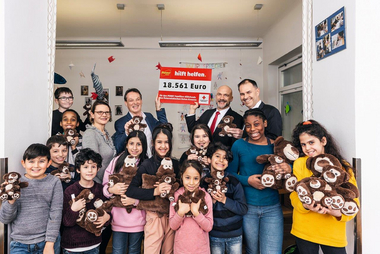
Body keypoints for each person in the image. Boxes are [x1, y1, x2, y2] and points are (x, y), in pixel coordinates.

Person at [226, 108, 291, 254]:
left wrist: (289, 167)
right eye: (248, 125)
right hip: (247, 208)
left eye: (257, 124)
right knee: (252, 250)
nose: (252, 129)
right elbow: (228, 174)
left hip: (272, 208)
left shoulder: (276, 146)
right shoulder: (238, 145)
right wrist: (247, 180)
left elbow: (289, 166)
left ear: (265, 123)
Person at [290, 120, 359, 253]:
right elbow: (294, 194)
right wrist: (305, 205)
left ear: (323, 141)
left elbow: (354, 201)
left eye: (311, 142)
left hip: (333, 232)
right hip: (304, 230)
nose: (307, 148)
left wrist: (338, 213)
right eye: (303, 144)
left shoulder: (342, 167)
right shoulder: (300, 163)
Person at [126, 123, 180, 254]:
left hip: (172, 215)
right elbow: (131, 190)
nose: (163, 146)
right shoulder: (147, 164)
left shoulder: (176, 164)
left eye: (166, 142)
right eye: (159, 142)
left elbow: (182, 188)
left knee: (169, 251)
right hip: (154, 216)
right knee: (151, 250)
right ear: (153, 143)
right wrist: (154, 191)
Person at [0, 143, 63, 254]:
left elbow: (55, 214)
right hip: (20, 244)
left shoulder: (54, 182)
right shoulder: (16, 184)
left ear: (49, 163)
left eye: (41, 161)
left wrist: (50, 243)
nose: (36, 165)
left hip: (47, 242)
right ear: (23, 163)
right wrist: (11, 201)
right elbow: (5, 219)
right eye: (31, 161)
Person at [103, 131, 148, 254]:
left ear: (144, 146)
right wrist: (111, 190)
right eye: (131, 143)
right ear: (126, 145)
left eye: (138, 144)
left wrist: (136, 201)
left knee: (134, 251)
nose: (134, 147)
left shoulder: (146, 164)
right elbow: (105, 184)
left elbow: (150, 193)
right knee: (117, 251)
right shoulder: (117, 161)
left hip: (138, 221)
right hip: (118, 220)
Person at [61, 148, 111, 254]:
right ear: (78, 169)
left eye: (93, 167)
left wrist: (107, 218)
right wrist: (73, 209)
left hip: (93, 244)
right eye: (85, 167)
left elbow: (107, 212)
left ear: (98, 169)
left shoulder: (101, 190)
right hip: (72, 247)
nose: (90, 170)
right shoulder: (70, 191)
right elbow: (66, 222)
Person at [201, 142, 248, 254]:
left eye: (225, 158)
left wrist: (224, 200)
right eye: (217, 156)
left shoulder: (233, 181)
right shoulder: (203, 183)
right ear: (209, 159)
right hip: (214, 235)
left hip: (235, 234)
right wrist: (211, 202)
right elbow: (200, 211)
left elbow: (243, 209)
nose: (221, 160)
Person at [169, 160, 213, 254]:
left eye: (196, 178)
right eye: (187, 178)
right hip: (181, 249)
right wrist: (180, 213)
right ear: (182, 176)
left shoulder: (205, 196)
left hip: (201, 249)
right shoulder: (176, 196)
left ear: (200, 177)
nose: (191, 182)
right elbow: (173, 225)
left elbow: (209, 227)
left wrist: (196, 213)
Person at [113, 88, 168, 155]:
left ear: (141, 101)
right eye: (131, 100)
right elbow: (118, 148)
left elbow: (164, 129)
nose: (135, 102)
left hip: (152, 161)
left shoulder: (149, 116)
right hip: (134, 163)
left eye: (138, 99)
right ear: (126, 103)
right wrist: (126, 133)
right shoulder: (120, 122)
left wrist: (158, 109)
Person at [82, 100, 116, 183]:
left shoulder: (105, 133)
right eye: (100, 112)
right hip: (97, 183)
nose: (104, 115)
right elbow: (92, 163)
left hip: (107, 181)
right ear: (92, 114)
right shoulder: (90, 134)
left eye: (107, 112)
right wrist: (103, 185)